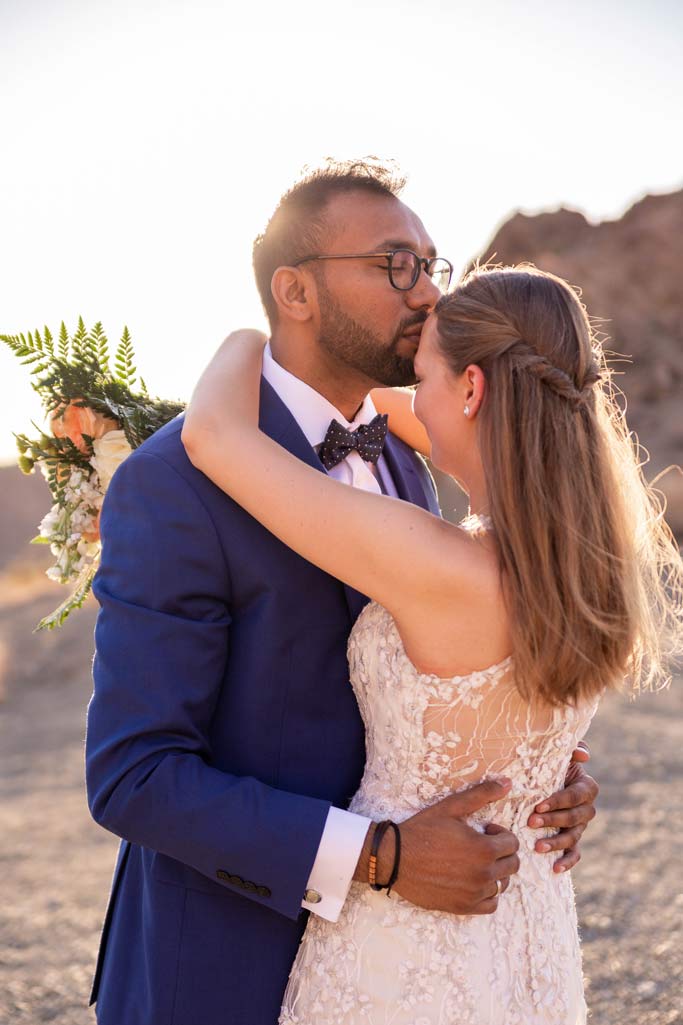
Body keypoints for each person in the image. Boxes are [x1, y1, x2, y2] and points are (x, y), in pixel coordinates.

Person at [85, 161, 601, 1025]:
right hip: (227, 966)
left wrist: (535, 770)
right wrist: (379, 855)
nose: (428, 293)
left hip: (422, 965)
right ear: (294, 290)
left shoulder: (411, 449)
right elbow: (134, 775)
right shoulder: (173, 480)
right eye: (395, 263)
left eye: (431, 264)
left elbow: (444, 676)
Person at [181, 263, 682, 1024]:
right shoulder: (590, 556)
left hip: (407, 951)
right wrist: (421, 357)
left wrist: (263, 332)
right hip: (529, 937)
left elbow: (212, 433)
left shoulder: (439, 566)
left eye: (423, 378)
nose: (407, 400)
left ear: (473, 390)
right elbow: (413, 411)